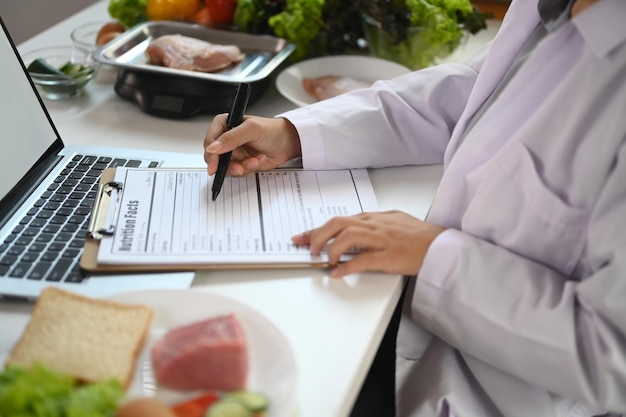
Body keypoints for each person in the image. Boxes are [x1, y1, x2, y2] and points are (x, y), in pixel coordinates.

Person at [203, 0, 626, 415]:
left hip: (490, 393)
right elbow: (471, 90)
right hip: (415, 326)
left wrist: (434, 256)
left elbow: (612, 357)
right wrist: (295, 133)